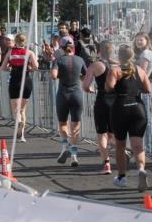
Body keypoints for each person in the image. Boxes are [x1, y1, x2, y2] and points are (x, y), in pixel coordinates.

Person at [107, 44, 152, 190]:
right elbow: (148, 89)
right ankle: (141, 170)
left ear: (119, 56)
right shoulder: (140, 70)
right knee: (138, 145)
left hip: (121, 108)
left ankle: (122, 177)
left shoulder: (115, 70)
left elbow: (109, 87)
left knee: (120, 145)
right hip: (138, 108)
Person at [50, 39, 87, 167]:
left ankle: (65, 146)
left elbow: (54, 76)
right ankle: (74, 155)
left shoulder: (58, 60)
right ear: (73, 49)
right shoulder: (80, 60)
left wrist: (59, 73)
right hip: (76, 94)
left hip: (63, 95)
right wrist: (77, 76)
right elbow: (85, 76)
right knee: (75, 126)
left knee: (63, 123)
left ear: (63, 49)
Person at [81, 40, 116, 175]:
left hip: (102, 100)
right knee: (113, 133)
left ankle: (107, 164)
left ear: (98, 51)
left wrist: (89, 89)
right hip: (117, 101)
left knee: (102, 134)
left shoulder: (95, 65)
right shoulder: (118, 65)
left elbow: (85, 85)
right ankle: (120, 151)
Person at [1, 32, 38, 141]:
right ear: (24, 42)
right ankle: (21, 135)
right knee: (23, 110)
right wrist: (30, 69)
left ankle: (19, 123)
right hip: (26, 80)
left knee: (16, 110)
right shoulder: (29, 52)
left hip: (15, 80)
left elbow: (3, 67)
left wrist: (10, 68)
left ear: (15, 42)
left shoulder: (10, 53)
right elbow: (36, 66)